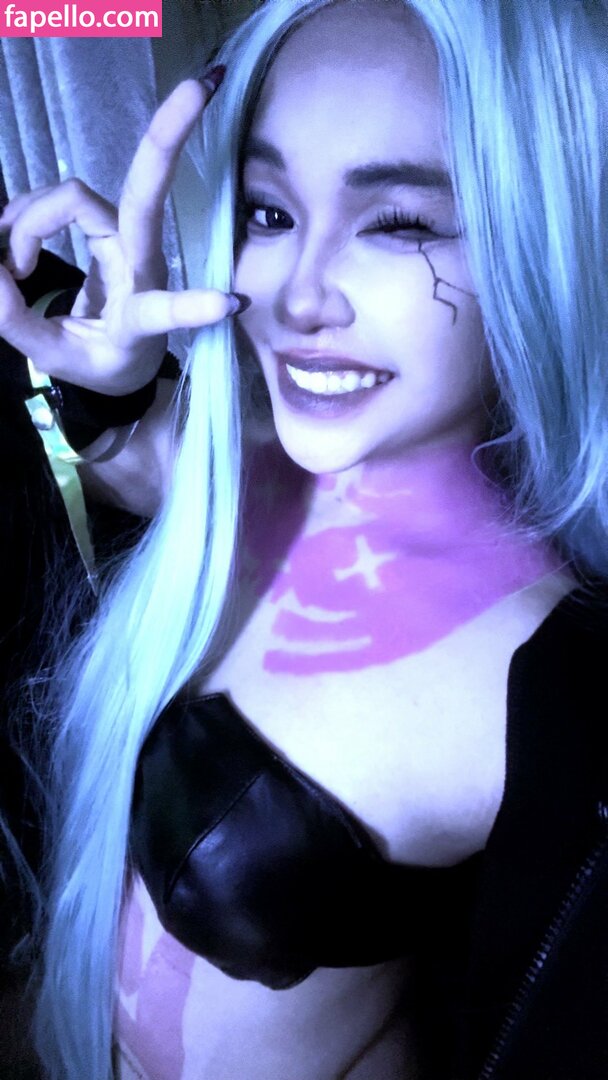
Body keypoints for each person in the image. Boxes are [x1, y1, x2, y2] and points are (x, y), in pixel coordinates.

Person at [2, 0, 606, 1077]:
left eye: (399, 222)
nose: (298, 296)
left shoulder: (551, 690)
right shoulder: (247, 466)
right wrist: (110, 382)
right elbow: (134, 462)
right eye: (270, 212)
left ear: (544, 232)